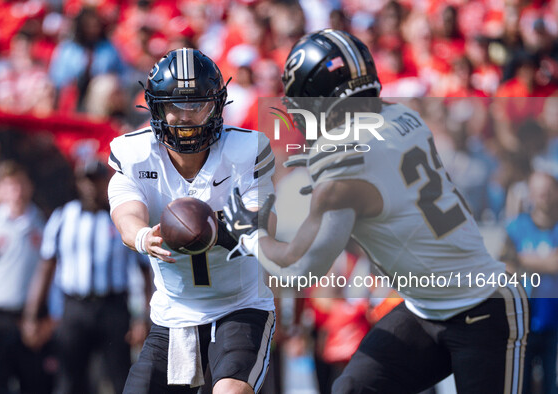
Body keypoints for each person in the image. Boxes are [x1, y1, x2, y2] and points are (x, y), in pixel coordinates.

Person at [223, 29, 529, 394]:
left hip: (481, 307)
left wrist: (249, 234)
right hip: (423, 306)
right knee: (352, 389)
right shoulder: (402, 116)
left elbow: (297, 270)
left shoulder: (343, 161)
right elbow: (389, 209)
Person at [107, 48, 276, 394]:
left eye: (197, 105)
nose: (186, 117)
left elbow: (260, 221)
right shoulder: (134, 154)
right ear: (156, 108)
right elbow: (125, 210)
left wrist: (210, 228)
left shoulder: (245, 151)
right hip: (173, 313)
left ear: (216, 105)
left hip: (239, 305)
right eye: (175, 106)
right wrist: (141, 236)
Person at [22, 159, 152, 394]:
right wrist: (32, 315)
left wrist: (144, 317)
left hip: (113, 306)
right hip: (75, 308)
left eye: (97, 180)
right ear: (78, 183)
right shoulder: (63, 217)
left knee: (120, 377)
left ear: (106, 182)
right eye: (86, 181)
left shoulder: (122, 217)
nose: (91, 187)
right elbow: (46, 268)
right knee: (68, 379)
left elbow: (145, 270)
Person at [0, 161, 53, 394]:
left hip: (30, 318)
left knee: (35, 384)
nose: (16, 191)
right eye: (10, 185)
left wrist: (49, 320)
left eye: (20, 184)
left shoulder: (42, 223)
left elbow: (54, 274)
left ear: (29, 186)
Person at [502, 168, 558, 394]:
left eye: (547, 191)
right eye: (538, 192)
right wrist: (545, 262)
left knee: (550, 385)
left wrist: (522, 259)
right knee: (519, 385)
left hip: (553, 321)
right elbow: (504, 266)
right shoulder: (516, 227)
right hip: (522, 322)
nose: (543, 196)